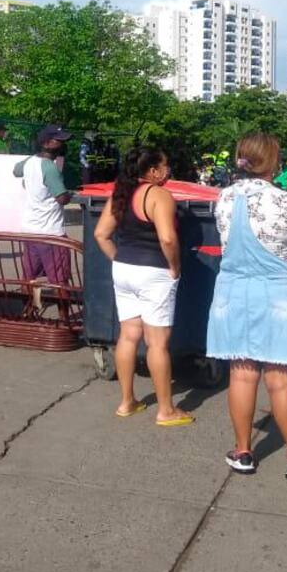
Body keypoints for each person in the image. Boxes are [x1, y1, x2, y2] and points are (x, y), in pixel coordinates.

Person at [206, 132, 287, 481]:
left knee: (242, 374)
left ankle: (243, 451)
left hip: (233, 292)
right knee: (280, 382)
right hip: (276, 294)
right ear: (274, 161)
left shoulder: (223, 197)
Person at [93, 147, 192, 427]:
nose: (168, 170)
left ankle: (127, 402)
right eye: (165, 165)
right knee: (157, 342)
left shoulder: (122, 193)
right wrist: (174, 267)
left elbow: (101, 234)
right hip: (154, 272)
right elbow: (168, 239)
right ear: (152, 171)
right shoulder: (159, 195)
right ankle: (166, 410)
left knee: (128, 336)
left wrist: (121, 260)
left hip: (124, 268)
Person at [13, 124, 73, 284]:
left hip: (30, 230)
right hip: (51, 234)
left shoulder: (30, 162)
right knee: (60, 281)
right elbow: (62, 198)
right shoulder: (50, 168)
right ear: (46, 143)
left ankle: (29, 307)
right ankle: (63, 309)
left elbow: (16, 170)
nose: (62, 145)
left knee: (30, 277)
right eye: (58, 141)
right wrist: (70, 194)